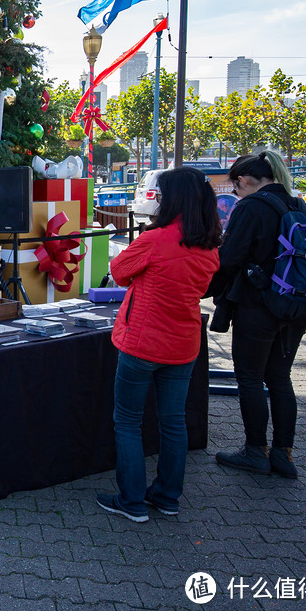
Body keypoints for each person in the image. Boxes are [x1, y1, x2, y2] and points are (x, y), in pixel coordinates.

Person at [98, 167, 221, 522]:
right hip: (183, 345)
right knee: (173, 423)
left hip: (142, 343)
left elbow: (119, 272)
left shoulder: (155, 240)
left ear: (175, 199)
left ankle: (132, 501)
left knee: (127, 422)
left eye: (162, 195)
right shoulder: (210, 243)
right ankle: (167, 497)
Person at [208, 151, 306, 479]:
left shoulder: (251, 207)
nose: (236, 194)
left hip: (258, 306)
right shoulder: (296, 204)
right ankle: (283, 453)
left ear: (244, 180)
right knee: (279, 378)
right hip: (295, 306)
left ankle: (255, 451)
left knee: (250, 377)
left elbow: (230, 258)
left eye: (235, 187)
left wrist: (202, 287)